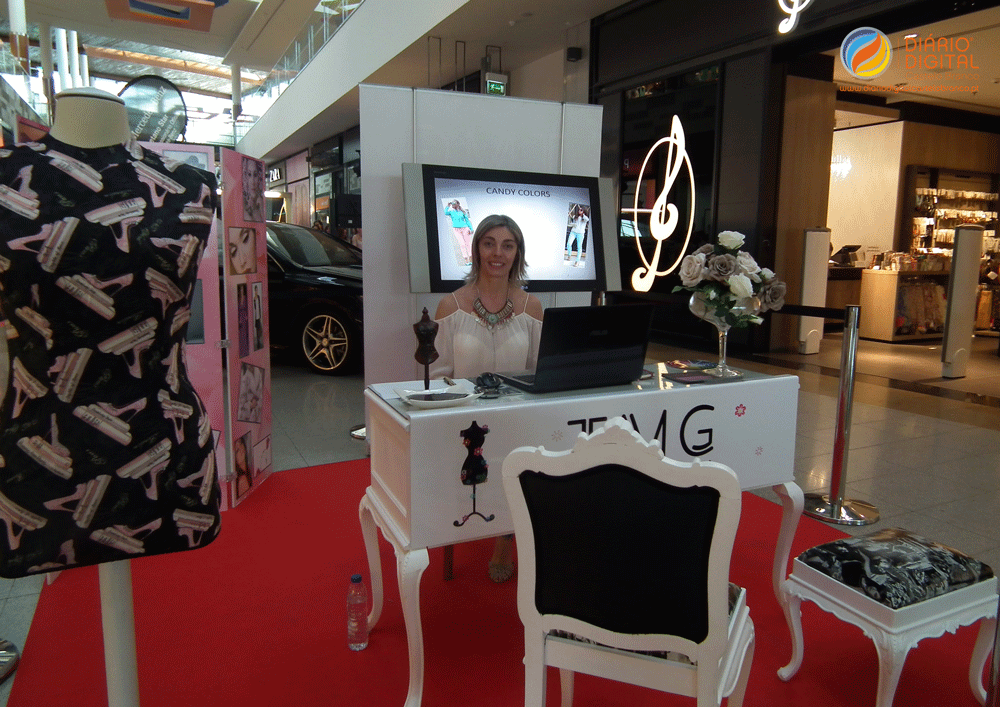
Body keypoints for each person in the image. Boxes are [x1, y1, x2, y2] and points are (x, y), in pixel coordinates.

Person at [431, 214, 542, 582]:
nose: (498, 253)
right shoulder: (450, 306)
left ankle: (506, 538)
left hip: (517, 423)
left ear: (517, 253)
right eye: (489, 243)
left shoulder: (532, 307)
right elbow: (438, 377)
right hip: (464, 424)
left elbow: (538, 374)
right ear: (476, 249)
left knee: (522, 459)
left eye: (507, 246)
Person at [443, 199, 474, 265]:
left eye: (454, 203)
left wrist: (471, 229)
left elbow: (467, 221)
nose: (453, 204)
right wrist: (448, 206)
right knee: (462, 244)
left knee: (468, 244)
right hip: (456, 229)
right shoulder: (451, 212)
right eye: (452, 203)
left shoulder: (463, 212)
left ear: (458, 204)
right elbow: (445, 212)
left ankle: (471, 259)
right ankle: (466, 260)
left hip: (465, 228)